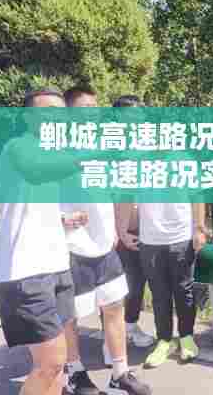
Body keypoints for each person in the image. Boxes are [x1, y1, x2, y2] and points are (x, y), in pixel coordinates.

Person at [0, 89, 88, 395]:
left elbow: (24, 205)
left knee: (57, 369)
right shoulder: (17, 147)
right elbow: (34, 171)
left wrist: (62, 219)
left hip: (57, 267)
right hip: (26, 273)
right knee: (50, 364)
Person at [61, 86, 151, 395]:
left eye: (95, 108)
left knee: (114, 306)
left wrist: (118, 229)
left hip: (104, 244)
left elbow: (115, 192)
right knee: (70, 315)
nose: (93, 113)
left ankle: (119, 373)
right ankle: (74, 373)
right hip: (71, 246)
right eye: (85, 108)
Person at [116, 202, 208, 368]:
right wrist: (122, 232)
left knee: (184, 290)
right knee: (159, 294)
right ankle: (164, 341)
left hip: (182, 236)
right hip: (150, 240)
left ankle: (186, 337)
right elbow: (126, 196)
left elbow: (197, 195)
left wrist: (199, 229)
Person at [112, 95, 154, 349]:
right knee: (126, 282)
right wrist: (118, 230)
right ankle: (119, 333)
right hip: (120, 229)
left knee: (140, 281)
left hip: (148, 226)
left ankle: (128, 326)